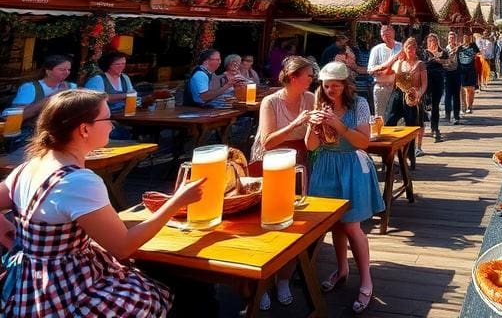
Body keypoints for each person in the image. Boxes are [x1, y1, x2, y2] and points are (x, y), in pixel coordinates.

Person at [0, 89, 205, 317]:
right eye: (107, 119)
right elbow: (122, 247)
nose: (112, 125)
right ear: (84, 129)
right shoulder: (78, 181)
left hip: (28, 288)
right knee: (179, 291)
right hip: (68, 292)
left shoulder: (28, 167)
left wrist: (17, 242)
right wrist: (177, 202)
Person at [306, 63, 384, 315]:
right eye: (326, 85)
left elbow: (363, 142)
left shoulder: (359, 104)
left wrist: (338, 126)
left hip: (351, 164)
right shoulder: (319, 104)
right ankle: (342, 270)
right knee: (334, 224)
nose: (330, 90)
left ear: (346, 85)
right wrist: (312, 125)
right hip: (326, 166)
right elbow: (310, 146)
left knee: (351, 225)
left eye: (335, 85)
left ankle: (366, 281)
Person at [250, 56, 317, 310]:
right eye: (308, 75)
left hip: (300, 162)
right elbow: (267, 142)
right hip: (271, 163)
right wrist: (296, 123)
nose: (312, 79)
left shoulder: (310, 98)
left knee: (293, 223)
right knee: (267, 224)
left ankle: (284, 280)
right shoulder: (270, 102)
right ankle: (262, 282)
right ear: (292, 78)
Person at [10, 54, 77, 138]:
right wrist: (55, 96)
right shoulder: (30, 88)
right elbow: (16, 117)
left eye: (68, 69)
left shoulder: (72, 87)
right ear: (48, 71)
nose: (67, 72)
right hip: (32, 134)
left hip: (62, 133)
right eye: (62, 69)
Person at [388, 37, 427, 158]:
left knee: (411, 125)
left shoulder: (419, 64)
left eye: (412, 47)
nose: (410, 50)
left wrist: (418, 95)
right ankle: (390, 152)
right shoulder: (400, 63)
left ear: (415, 49)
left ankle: (409, 155)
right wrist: (398, 61)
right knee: (390, 121)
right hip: (399, 96)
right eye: (407, 47)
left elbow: (424, 83)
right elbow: (395, 77)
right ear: (404, 49)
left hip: (413, 96)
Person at [366, 24, 403, 119]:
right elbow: (370, 70)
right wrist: (383, 69)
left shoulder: (401, 47)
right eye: (384, 35)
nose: (387, 37)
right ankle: (381, 134)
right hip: (381, 87)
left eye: (389, 35)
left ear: (394, 33)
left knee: (397, 116)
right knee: (380, 116)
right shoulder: (376, 49)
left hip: (398, 87)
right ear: (381, 36)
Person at [422, 33, 449, 142]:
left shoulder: (443, 52)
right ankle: (422, 126)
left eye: (433, 40)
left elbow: (448, 63)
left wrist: (440, 61)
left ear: (437, 41)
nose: (432, 42)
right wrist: (432, 60)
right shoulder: (424, 53)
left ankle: (435, 128)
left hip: (438, 80)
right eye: (429, 41)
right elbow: (422, 64)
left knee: (435, 105)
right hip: (426, 80)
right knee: (425, 104)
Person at [456, 32, 480, 114]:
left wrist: (477, 56)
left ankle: (470, 106)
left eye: (467, 37)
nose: (465, 38)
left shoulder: (473, 46)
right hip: (462, 71)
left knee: (471, 90)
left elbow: (479, 54)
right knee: (465, 89)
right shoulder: (459, 48)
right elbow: (456, 59)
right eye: (464, 37)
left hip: (472, 70)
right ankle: (466, 107)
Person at [442, 31, 462, 125]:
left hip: (457, 73)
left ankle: (456, 115)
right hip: (447, 73)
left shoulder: (459, 49)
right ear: (448, 39)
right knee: (448, 95)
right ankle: (447, 115)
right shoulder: (445, 50)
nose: (451, 39)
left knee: (456, 95)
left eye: (453, 38)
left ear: (456, 39)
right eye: (450, 38)